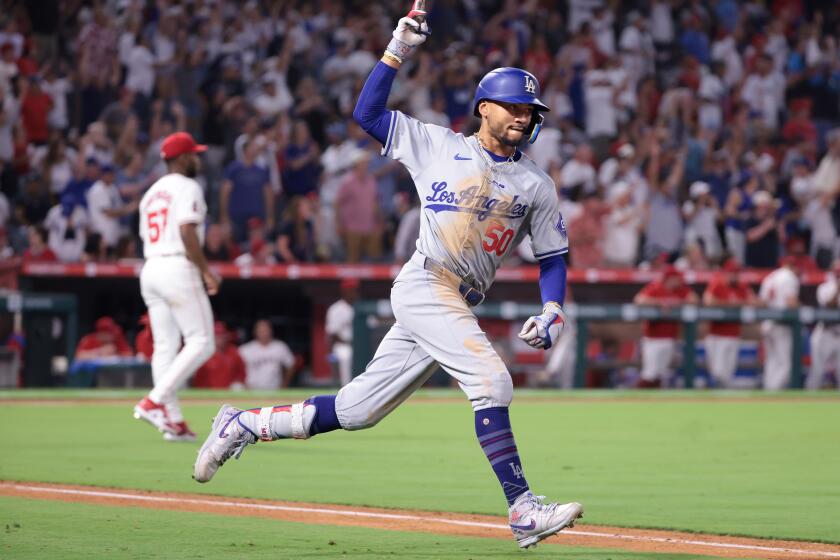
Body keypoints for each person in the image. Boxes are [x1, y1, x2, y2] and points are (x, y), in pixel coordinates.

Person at [194, 14, 582, 550]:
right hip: (427, 283)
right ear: (484, 107)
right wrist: (398, 46)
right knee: (493, 382)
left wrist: (553, 308)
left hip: (459, 296)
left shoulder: (536, 183)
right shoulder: (436, 144)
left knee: (357, 410)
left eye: (530, 110)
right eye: (513, 106)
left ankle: (244, 424)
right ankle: (523, 509)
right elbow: (367, 112)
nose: (523, 117)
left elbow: (554, 256)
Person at [133, 131, 219, 441]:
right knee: (202, 341)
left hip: (151, 266)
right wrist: (206, 271)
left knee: (166, 347)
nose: (197, 158)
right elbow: (186, 231)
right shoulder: (188, 186)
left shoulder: (151, 193)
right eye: (194, 154)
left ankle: (172, 420)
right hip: (176, 266)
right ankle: (155, 401)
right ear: (182, 158)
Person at [633, 265, 698, 387]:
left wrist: (676, 303)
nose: (678, 280)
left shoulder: (681, 290)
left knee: (661, 374)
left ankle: (654, 402)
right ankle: (638, 399)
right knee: (650, 372)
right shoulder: (656, 287)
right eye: (676, 278)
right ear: (669, 278)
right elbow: (638, 300)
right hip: (653, 339)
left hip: (670, 338)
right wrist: (659, 302)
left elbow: (694, 300)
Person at [702, 259, 757, 388]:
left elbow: (754, 302)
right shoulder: (717, 284)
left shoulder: (742, 286)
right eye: (731, 273)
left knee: (727, 373)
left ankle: (722, 403)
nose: (733, 276)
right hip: (716, 335)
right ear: (725, 273)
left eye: (736, 273)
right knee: (717, 371)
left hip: (733, 334)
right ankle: (713, 399)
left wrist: (734, 303)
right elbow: (708, 301)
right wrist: (732, 304)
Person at [758, 258, 800, 390]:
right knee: (786, 364)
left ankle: (768, 392)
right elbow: (791, 303)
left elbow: (762, 303)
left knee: (772, 361)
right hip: (782, 325)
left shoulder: (770, 277)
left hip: (768, 323)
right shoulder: (789, 277)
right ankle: (773, 392)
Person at [806, 261, 840, 390]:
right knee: (817, 371)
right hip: (825, 333)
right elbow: (829, 305)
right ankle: (808, 401)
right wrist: (837, 289)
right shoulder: (825, 287)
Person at [238, 319, 295, 390]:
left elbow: (291, 365)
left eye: (266, 330)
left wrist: (284, 385)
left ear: (271, 331)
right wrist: (244, 384)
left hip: (274, 391)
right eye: (261, 330)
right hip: (251, 391)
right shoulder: (245, 349)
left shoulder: (280, 347)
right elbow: (235, 369)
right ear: (255, 332)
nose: (264, 333)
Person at [192, 321, 246, 391]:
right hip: (209, 394)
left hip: (230, 393)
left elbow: (242, 374)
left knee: (238, 387)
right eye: (217, 335)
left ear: (226, 336)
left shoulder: (234, 352)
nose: (219, 338)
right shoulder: (205, 353)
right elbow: (198, 379)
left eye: (222, 335)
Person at [325, 278, 359, 386]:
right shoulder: (336, 309)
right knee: (347, 355)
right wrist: (330, 354)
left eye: (355, 289)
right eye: (351, 289)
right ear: (344, 291)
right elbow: (332, 334)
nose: (354, 292)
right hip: (343, 345)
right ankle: (346, 387)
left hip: (360, 345)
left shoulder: (360, 306)